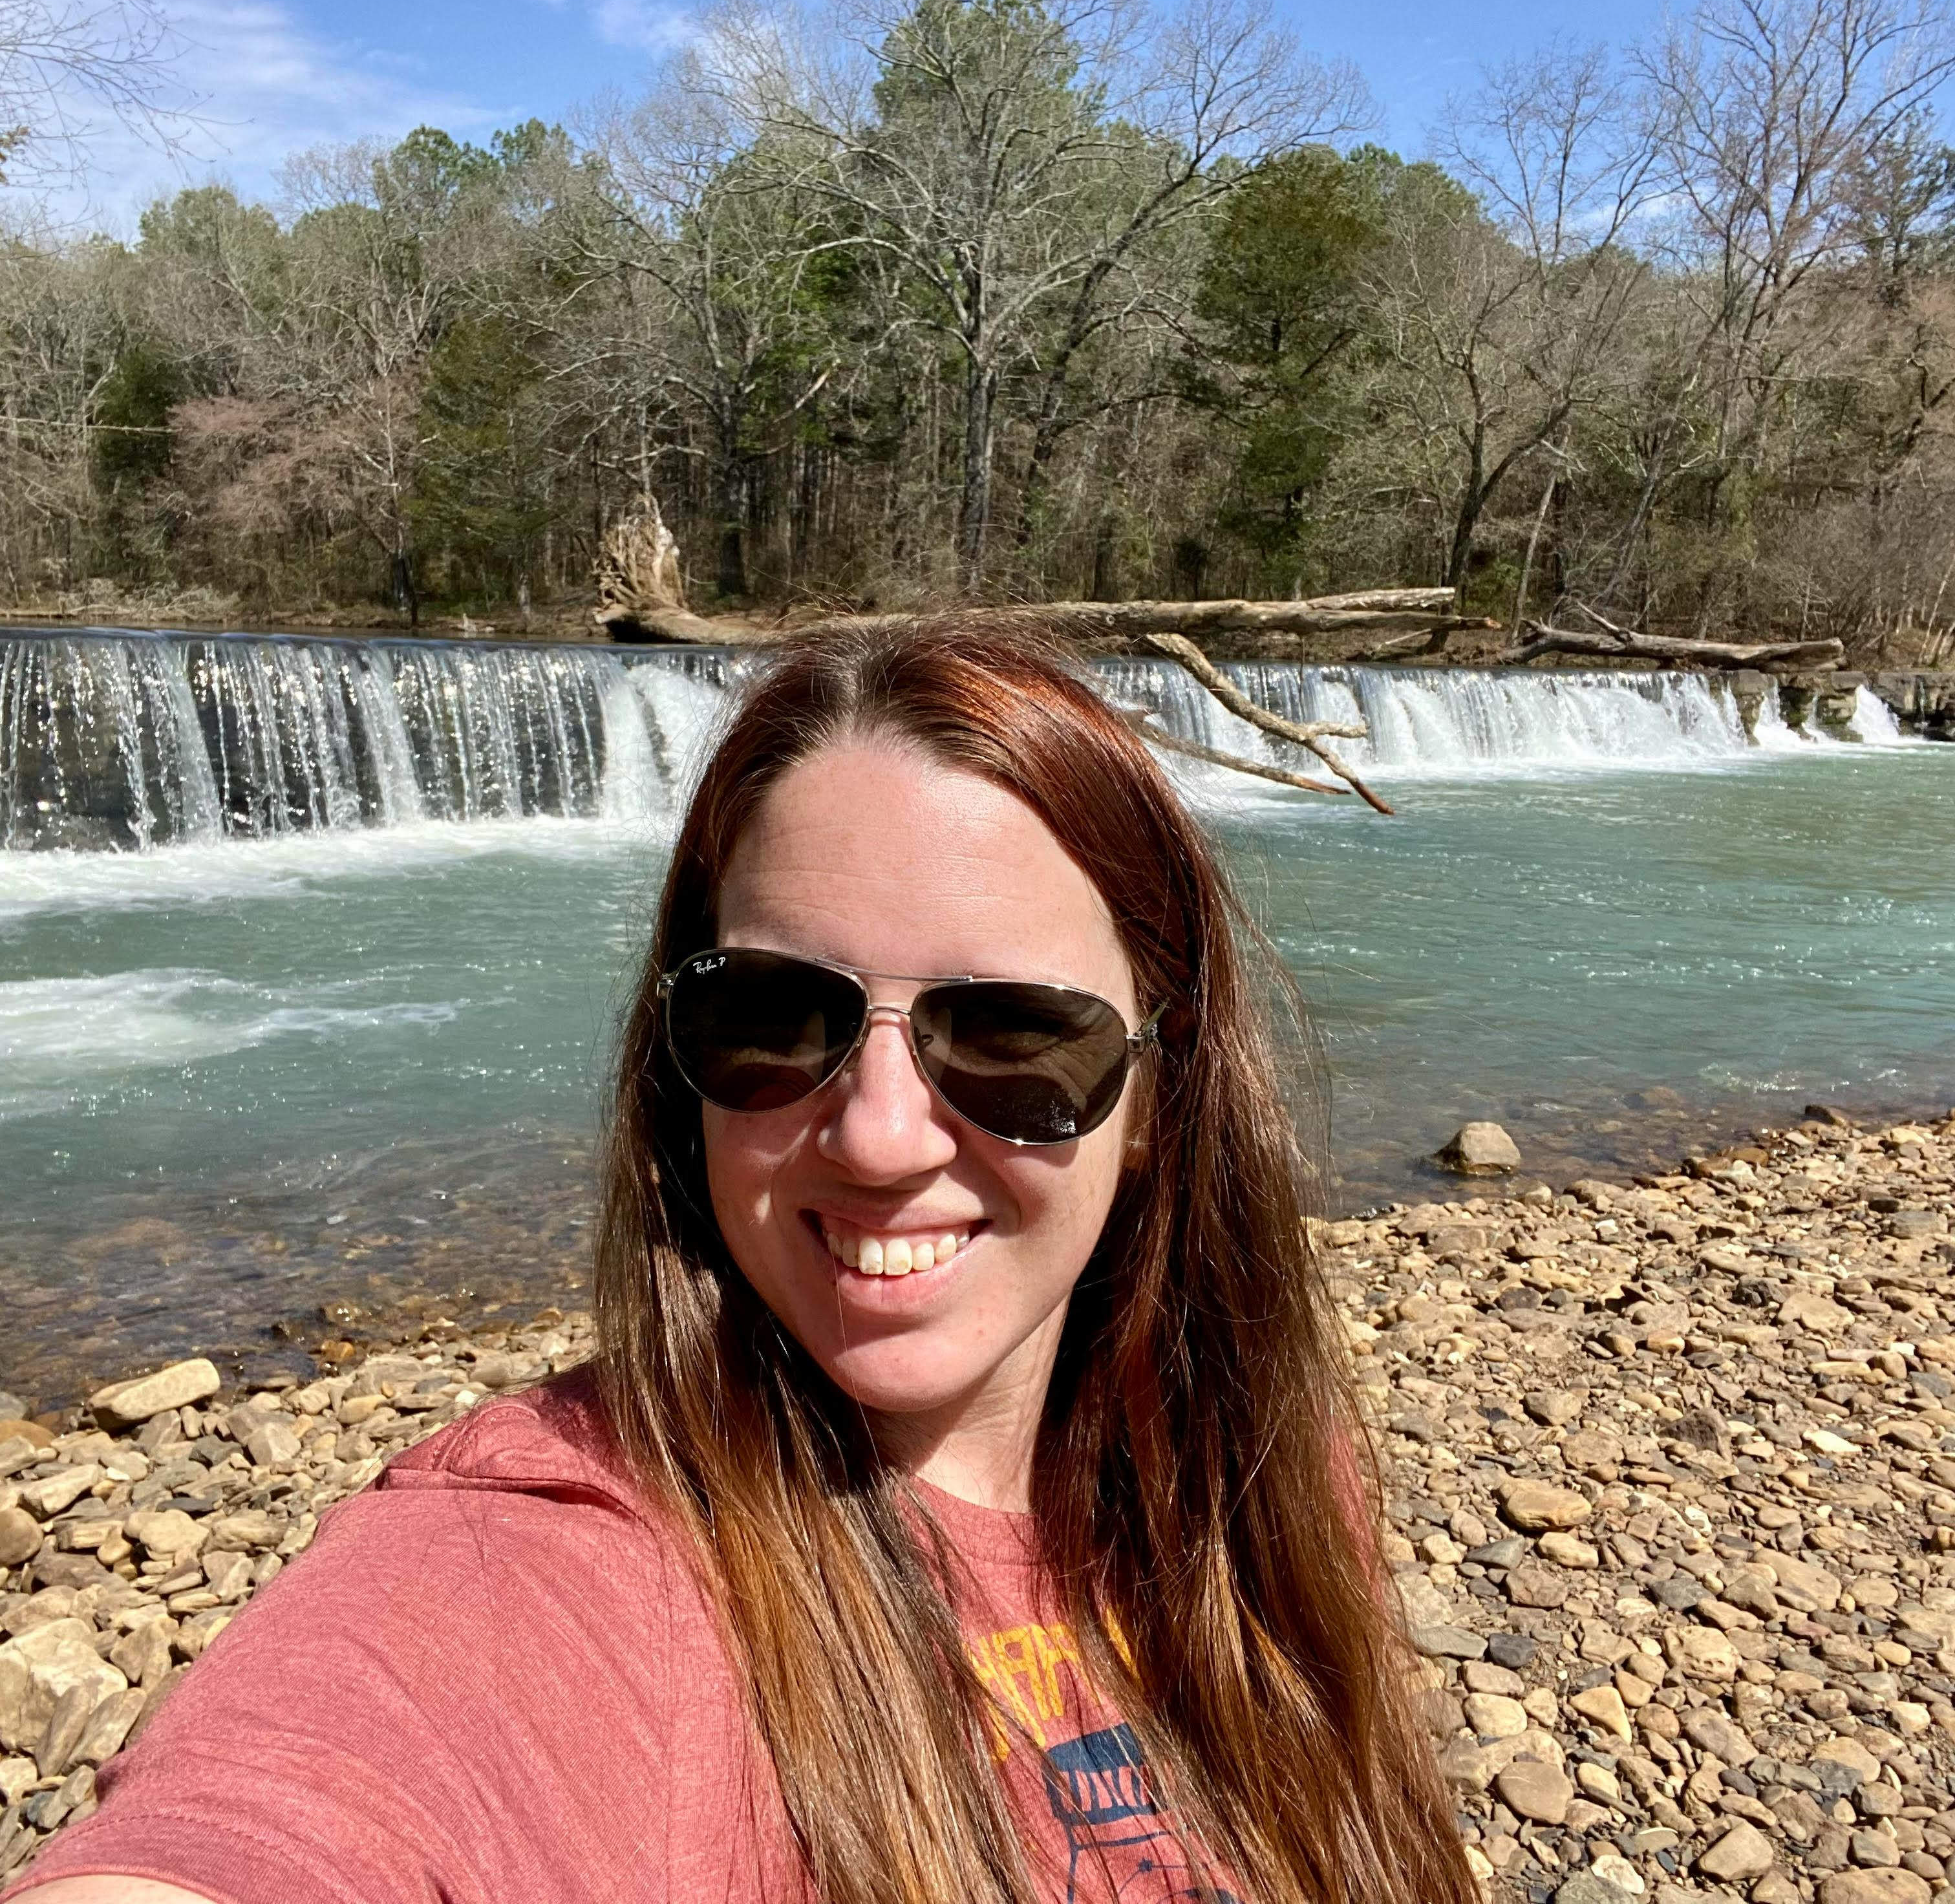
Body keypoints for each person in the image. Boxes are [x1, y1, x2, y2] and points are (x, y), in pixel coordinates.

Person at [8, 621, 1473, 1904]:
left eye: (1017, 1036)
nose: (883, 1136)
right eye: (771, 1015)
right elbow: (292, 1803)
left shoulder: (1252, 1480)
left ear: (1160, 1094)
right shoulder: (557, 1567)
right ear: (676, 1054)